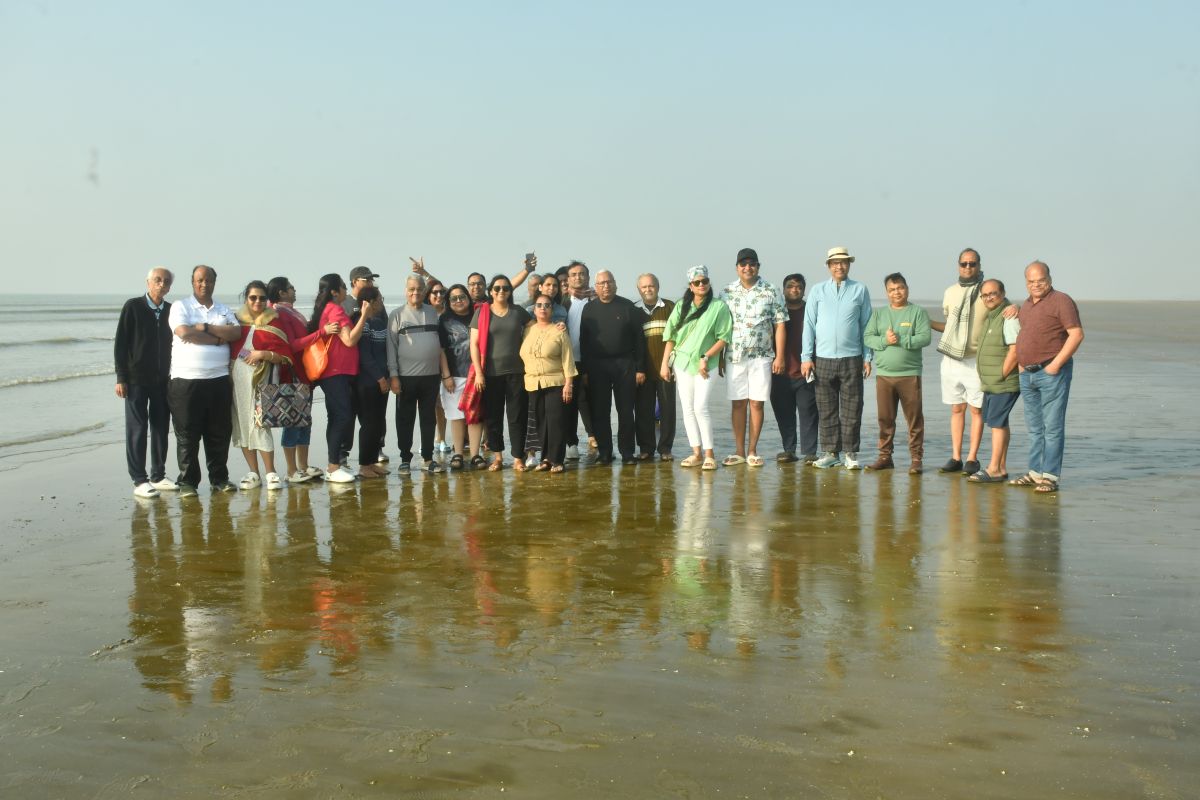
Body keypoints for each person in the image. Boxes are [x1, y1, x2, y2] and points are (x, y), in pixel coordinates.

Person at [167, 265, 242, 495]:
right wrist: (218, 339)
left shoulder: (223, 309)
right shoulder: (181, 306)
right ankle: (188, 482)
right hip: (186, 380)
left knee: (219, 433)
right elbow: (184, 332)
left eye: (208, 280)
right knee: (187, 434)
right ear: (193, 282)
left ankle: (219, 479)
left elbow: (236, 333)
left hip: (219, 379)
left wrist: (206, 327)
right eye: (200, 280)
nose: (204, 284)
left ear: (214, 283)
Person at [1010, 262, 1083, 493]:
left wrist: (1055, 365)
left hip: (1051, 373)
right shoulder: (1026, 306)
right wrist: (1021, 366)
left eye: (1040, 280)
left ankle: (1050, 476)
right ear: (1026, 283)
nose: (1036, 285)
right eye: (1031, 281)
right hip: (1027, 374)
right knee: (1034, 428)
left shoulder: (1061, 300)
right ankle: (1035, 472)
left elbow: (1076, 334)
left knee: (1052, 427)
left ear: (1049, 279)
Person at [800, 247, 873, 470]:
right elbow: (809, 324)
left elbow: (866, 325)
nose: (839, 266)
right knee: (826, 408)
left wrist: (867, 356)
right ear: (828, 266)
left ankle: (850, 453)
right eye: (835, 263)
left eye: (843, 262)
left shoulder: (860, 289)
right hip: (822, 358)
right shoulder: (818, 290)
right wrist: (806, 357)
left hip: (852, 358)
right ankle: (831, 453)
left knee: (852, 408)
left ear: (849, 265)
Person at [719, 247, 787, 467]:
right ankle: (739, 451)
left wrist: (780, 357)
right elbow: (720, 328)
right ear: (737, 267)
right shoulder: (726, 292)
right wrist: (719, 357)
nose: (747, 267)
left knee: (757, 404)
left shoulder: (771, 290)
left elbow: (779, 325)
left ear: (758, 266)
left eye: (752, 264)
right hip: (734, 356)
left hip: (762, 356)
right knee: (738, 404)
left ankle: (752, 451)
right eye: (743, 264)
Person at [660, 265, 732, 470]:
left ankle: (710, 454)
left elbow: (724, 337)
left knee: (701, 407)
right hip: (682, 363)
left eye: (704, 281)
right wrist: (664, 364)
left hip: (706, 364)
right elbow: (670, 337)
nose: (701, 285)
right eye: (697, 282)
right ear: (690, 286)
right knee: (688, 409)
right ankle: (696, 453)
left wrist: (705, 356)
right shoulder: (681, 306)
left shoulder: (718, 307)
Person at [115, 267, 175, 498]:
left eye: (166, 281)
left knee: (161, 427)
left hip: (163, 380)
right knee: (137, 428)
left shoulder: (171, 310)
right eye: (157, 280)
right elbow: (121, 344)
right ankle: (139, 480)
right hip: (136, 379)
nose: (161, 284)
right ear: (148, 282)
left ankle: (158, 476)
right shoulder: (133, 307)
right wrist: (121, 377)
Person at [862, 273, 932, 473]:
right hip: (884, 376)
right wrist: (885, 340)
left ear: (907, 289)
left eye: (900, 288)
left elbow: (925, 338)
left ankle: (916, 459)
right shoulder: (879, 314)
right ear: (887, 293)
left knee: (914, 419)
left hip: (910, 375)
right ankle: (885, 457)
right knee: (885, 419)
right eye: (892, 289)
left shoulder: (917, 312)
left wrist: (901, 339)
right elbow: (868, 337)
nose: (897, 292)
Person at [229, 281, 295, 490]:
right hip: (237, 379)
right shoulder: (236, 321)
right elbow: (231, 350)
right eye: (253, 297)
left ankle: (270, 472)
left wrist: (263, 354)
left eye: (262, 298)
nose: (257, 301)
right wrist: (248, 355)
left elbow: (286, 356)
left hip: (264, 380)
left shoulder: (275, 321)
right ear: (246, 298)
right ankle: (253, 473)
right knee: (242, 423)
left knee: (260, 423)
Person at [579, 271, 647, 464]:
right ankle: (605, 452)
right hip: (597, 366)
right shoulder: (589, 309)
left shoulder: (627, 307)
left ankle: (627, 453)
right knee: (600, 411)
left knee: (625, 411)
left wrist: (640, 368)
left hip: (624, 364)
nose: (606, 286)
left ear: (615, 284)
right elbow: (584, 341)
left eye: (609, 282)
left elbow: (639, 339)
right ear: (596, 287)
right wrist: (584, 371)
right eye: (601, 283)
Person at [929, 248, 987, 475]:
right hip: (952, 359)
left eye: (972, 263)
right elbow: (950, 326)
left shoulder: (986, 290)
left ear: (979, 265)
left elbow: (1004, 310)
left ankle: (972, 458)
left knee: (976, 410)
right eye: (964, 263)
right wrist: (927, 322)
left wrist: (1015, 308)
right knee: (956, 408)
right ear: (958, 265)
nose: (968, 267)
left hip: (976, 359)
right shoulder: (950, 292)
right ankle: (956, 457)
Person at [307, 273, 368, 483]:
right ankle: (333, 467)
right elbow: (349, 340)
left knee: (336, 416)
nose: (345, 290)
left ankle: (334, 465)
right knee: (341, 416)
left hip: (336, 372)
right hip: (336, 372)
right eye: (343, 286)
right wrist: (364, 316)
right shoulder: (335, 309)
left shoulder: (328, 309)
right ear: (334, 291)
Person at [266, 276, 326, 483]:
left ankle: (303, 465)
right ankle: (291, 470)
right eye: (291, 287)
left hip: (304, 373)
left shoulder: (291, 311)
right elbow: (293, 344)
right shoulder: (280, 313)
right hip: (293, 373)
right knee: (292, 420)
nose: (294, 290)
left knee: (304, 421)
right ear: (281, 292)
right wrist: (321, 333)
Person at [470, 275, 532, 471]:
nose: (501, 291)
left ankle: (518, 458)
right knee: (493, 417)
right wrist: (479, 373)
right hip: (490, 373)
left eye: (505, 288)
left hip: (517, 372)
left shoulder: (518, 312)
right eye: (497, 288)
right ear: (490, 291)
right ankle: (497, 457)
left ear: (510, 291)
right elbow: (474, 344)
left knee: (517, 417)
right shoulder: (482, 313)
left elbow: (536, 329)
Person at [387, 275, 444, 473]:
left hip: (431, 376)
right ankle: (405, 459)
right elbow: (391, 347)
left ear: (424, 291)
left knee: (428, 419)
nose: (415, 292)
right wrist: (394, 375)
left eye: (419, 289)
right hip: (405, 378)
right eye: (411, 289)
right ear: (406, 291)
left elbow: (440, 344)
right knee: (405, 419)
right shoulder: (396, 315)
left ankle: (428, 458)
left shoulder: (433, 312)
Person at [968, 279, 1021, 483]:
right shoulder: (993, 316)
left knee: (997, 424)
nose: (989, 298)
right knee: (1000, 422)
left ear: (1003, 293)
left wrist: (1001, 375)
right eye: (985, 295)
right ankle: (1001, 467)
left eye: (993, 293)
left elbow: (1015, 350)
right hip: (991, 382)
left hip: (1002, 382)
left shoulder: (1008, 316)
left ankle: (994, 469)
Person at [520, 296, 577, 473]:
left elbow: (568, 359)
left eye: (547, 305)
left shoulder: (559, 331)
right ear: (534, 309)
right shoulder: (527, 331)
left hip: (556, 381)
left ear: (552, 310)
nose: (543, 308)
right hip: (532, 383)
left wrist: (569, 384)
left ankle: (557, 460)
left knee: (555, 421)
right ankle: (545, 458)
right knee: (540, 422)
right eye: (539, 305)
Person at [770, 273, 819, 465]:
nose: (794, 290)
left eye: (799, 287)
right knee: (784, 414)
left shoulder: (811, 310)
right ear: (783, 290)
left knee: (808, 413)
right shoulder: (777, 312)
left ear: (804, 290)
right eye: (790, 286)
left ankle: (810, 453)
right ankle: (789, 450)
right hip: (779, 372)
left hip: (806, 372)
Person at [634, 272, 676, 461]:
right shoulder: (633, 310)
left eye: (651, 286)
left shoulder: (670, 307)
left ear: (658, 287)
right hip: (643, 370)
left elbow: (677, 337)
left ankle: (665, 449)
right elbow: (631, 341)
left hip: (666, 369)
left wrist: (671, 365)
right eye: (644, 287)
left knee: (667, 410)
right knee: (643, 411)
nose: (648, 289)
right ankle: (646, 449)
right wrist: (637, 368)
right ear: (639, 290)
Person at [438, 284, 481, 470]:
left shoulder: (478, 315)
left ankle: (475, 455)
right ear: (448, 302)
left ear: (468, 298)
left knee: (475, 415)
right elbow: (440, 350)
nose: (458, 301)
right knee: (456, 416)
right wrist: (446, 375)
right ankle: (458, 453)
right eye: (453, 298)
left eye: (462, 297)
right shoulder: (444, 319)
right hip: (453, 374)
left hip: (476, 374)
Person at [354, 286, 391, 478]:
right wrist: (380, 378)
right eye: (380, 299)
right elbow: (365, 355)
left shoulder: (379, 321)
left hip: (383, 379)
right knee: (369, 424)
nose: (382, 302)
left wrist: (389, 376)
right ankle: (364, 465)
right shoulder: (364, 322)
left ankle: (372, 462)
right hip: (368, 382)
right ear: (371, 302)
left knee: (378, 423)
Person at [563, 260, 596, 459]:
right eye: (574, 274)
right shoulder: (562, 303)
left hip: (592, 360)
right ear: (568, 279)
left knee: (591, 401)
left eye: (582, 274)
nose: (578, 277)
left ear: (588, 277)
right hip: (567, 361)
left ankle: (595, 437)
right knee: (569, 403)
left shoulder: (596, 300)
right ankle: (571, 443)